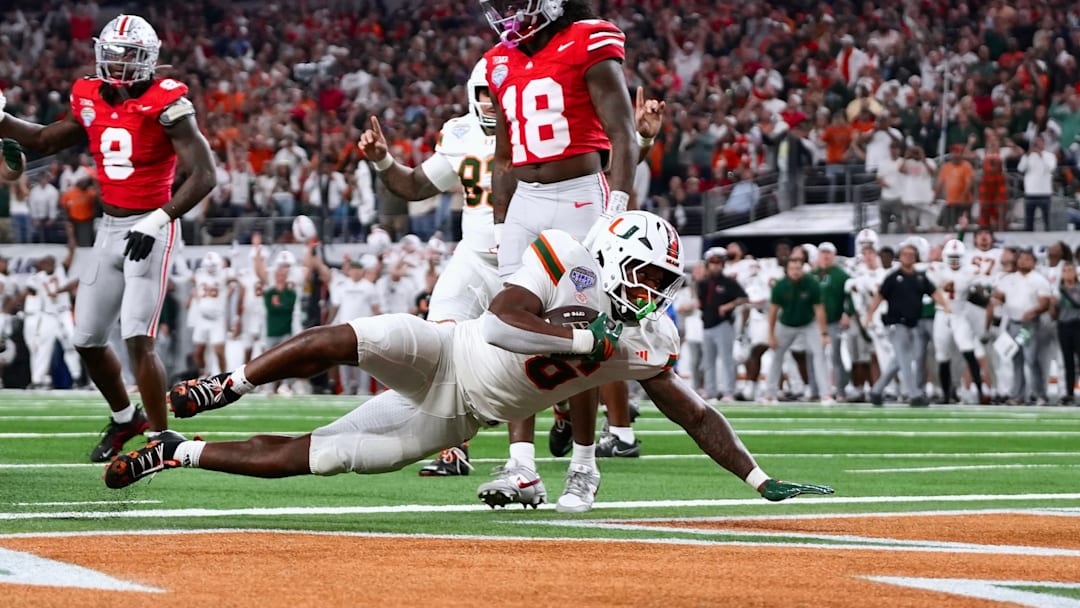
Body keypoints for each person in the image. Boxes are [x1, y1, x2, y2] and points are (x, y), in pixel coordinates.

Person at [105, 211, 834, 510]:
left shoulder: (650, 340)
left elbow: (693, 412)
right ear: (610, 256)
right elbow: (505, 320)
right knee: (356, 335)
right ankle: (231, 383)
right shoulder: (567, 256)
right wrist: (584, 342)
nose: (652, 292)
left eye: (662, 282)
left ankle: (178, 451)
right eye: (643, 273)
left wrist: (760, 478)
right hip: (450, 350)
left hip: (464, 413)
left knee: (321, 457)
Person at [0, 15, 216, 461]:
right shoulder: (90, 96)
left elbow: (205, 175)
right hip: (109, 228)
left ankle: (163, 439)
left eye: (129, 56)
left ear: (149, 60)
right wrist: (2, 120)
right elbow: (42, 138)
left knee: (138, 335)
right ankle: (125, 419)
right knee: (87, 338)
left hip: (151, 227)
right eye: (113, 54)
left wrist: (159, 219)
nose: (118, 64)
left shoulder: (167, 103)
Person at [479, 0, 646, 512]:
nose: (509, 12)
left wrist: (617, 205)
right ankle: (522, 465)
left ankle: (584, 466)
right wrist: (501, 218)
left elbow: (624, 134)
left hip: (579, 194)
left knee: (579, 330)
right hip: (525, 201)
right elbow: (505, 155)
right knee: (514, 330)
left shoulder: (590, 38)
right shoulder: (497, 61)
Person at [866, 242, 950, 406]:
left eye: (911, 255)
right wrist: (870, 313)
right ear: (900, 257)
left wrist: (946, 306)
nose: (908, 257)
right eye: (905, 254)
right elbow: (879, 296)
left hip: (914, 324)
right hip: (896, 324)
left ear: (916, 258)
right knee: (904, 358)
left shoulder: (920, 277)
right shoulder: (893, 277)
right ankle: (914, 394)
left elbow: (934, 292)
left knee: (899, 360)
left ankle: (876, 391)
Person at [764, 252, 834, 404]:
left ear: (803, 269)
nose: (795, 271)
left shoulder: (812, 283)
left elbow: (819, 309)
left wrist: (823, 333)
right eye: (792, 268)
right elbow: (773, 312)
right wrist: (771, 334)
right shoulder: (780, 286)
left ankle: (826, 394)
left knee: (819, 354)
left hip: (808, 323)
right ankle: (770, 393)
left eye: (798, 268)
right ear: (787, 270)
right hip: (786, 324)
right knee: (777, 355)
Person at [698, 247, 747, 401]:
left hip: (723, 325)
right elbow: (701, 303)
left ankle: (728, 391)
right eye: (713, 263)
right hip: (707, 324)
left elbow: (743, 298)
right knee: (708, 361)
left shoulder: (729, 282)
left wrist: (728, 306)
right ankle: (710, 390)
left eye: (719, 263)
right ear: (708, 264)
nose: (716, 266)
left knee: (727, 360)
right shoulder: (703, 283)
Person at [1054, 262, 1080, 405]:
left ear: (1076, 273)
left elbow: (1077, 304)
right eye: (1065, 270)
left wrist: (1065, 292)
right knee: (1068, 361)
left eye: (1071, 270)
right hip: (1063, 326)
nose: (1068, 273)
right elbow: (1054, 313)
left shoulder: (1077, 288)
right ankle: (1069, 393)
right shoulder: (1057, 290)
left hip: (1078, 325)